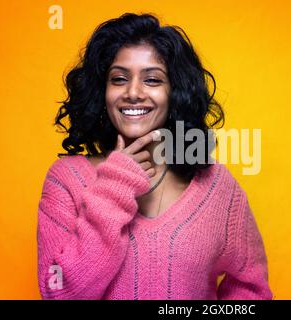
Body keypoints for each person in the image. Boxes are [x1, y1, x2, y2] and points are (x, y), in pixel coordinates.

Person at [37, 12, 272, 300]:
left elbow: (251, 289)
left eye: (152, 80)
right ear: (103, 91)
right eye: (119, 79)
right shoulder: (66, 179)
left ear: (175, 93)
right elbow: (59, 293)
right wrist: (115, 187)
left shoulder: (217, 186)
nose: (133, 92)